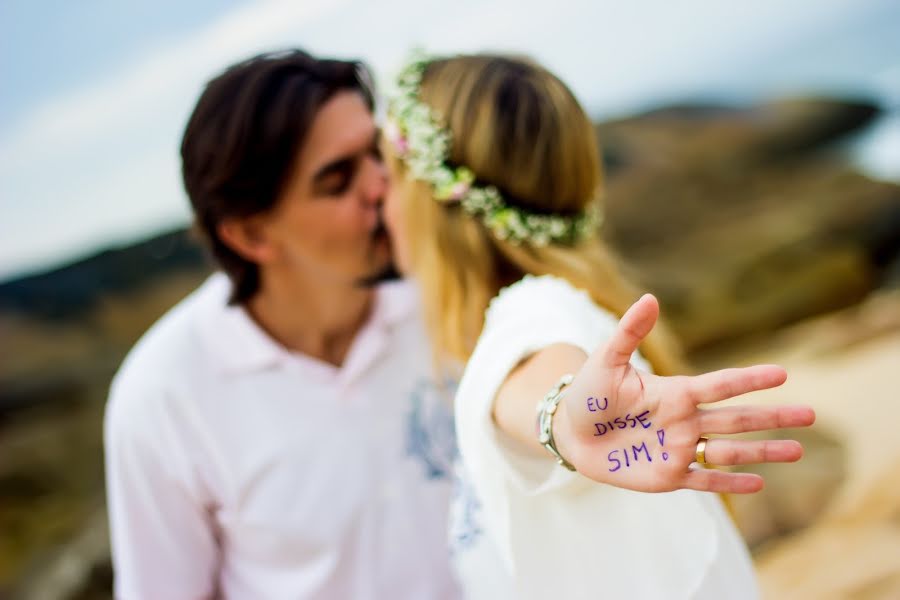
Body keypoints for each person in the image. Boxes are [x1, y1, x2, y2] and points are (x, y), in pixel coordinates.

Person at [381, 52, 817, 599]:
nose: (381, 201)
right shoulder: (575, 305)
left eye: (388, 174)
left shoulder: (537, 316)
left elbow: (539, 375)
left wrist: (561, 418)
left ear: (428, 197)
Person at [104, 49, 459, 599]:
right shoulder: (161, 396)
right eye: (338, 179)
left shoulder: (448, 299)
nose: (382, 185)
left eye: (378, 152)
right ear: (251, 236)